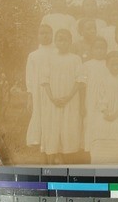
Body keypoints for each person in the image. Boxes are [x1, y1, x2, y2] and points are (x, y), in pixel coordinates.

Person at [40, 29, 83, 164]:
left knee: (68, 127)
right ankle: (52, 159)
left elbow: (80, 80)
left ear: (70, 42)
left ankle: (66, 160)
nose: (62, 42)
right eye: (59, 39)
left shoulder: (76, 59)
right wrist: (52, 98)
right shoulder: (50, 59)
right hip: (53, 100)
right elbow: (45, 80)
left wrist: (68, 97)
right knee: (53, 127)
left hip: (70, 100)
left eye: (65, 40)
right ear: (55, 41)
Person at [90, 51, 118, 164]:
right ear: (107, 64)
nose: (115, 67)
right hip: (104, 112)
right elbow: (100, 97)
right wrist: (105, 112)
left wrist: (117, 113)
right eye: (112, 64)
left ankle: (117, 162)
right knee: (101, 127)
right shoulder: (102, 79)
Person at [78, 37, 108, 154]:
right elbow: (82, 86)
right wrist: (82, 105)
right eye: (97, 48)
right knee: (90, 123)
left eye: (103, 48)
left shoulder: (109, 63)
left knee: (104, 123)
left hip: (105, 99)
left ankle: (103, 151)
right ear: (91, 49)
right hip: (90, 99)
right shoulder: (86, 65)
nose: (100, 51)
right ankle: (90, 150)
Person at [25, 24, 54, 148]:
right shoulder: (33, 55)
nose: (45, 35)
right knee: (39, 110)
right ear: (37, 36)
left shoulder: (56, 52)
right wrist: (30, 94)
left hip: (53, 87)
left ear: (52, 35)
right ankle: (38, 139)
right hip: (38, 88)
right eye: (42, 33)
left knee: (52, 112)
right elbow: (29, 76)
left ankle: (52, 138)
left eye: (47, 33)